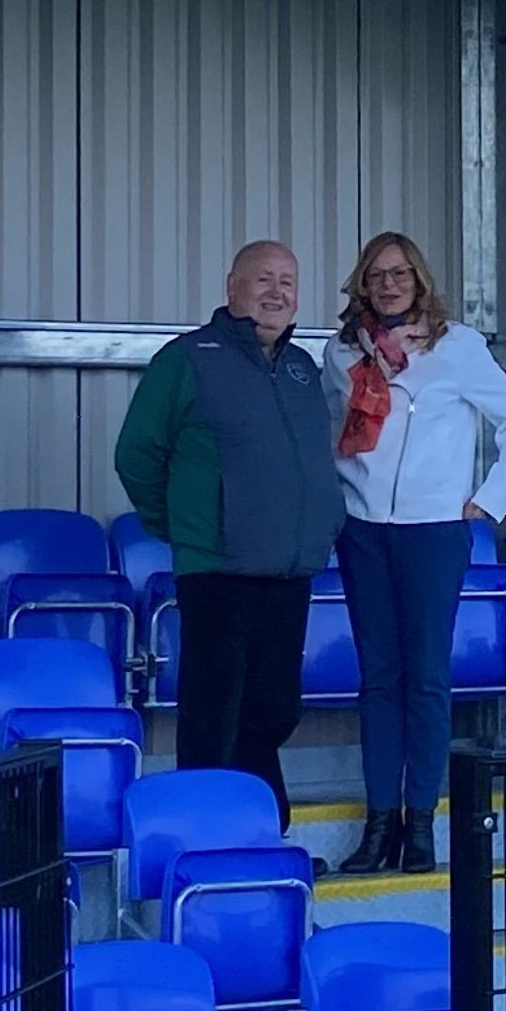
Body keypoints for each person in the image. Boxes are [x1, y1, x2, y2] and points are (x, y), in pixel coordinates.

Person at [321, 232, 506, 874]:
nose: (389, 284)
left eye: (401, 273)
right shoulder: (340, 352)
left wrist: (489, 499)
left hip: (433, 531)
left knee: (427, 680)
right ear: (362, 282)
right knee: (378, 680)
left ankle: (421, 826)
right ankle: (378, 822)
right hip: (362, 529)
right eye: (377, 274)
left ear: (420, 279)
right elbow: (330, 431)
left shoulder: (458, 347)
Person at [114, 239, 342, 822]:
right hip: (217, 571)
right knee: (214, 712)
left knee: (272, 709)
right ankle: (207, 834)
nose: (276, 292)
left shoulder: (300, 369)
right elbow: (137, 454)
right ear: (232, 288)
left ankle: (264, 832)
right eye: (263, 279)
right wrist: (189, 527)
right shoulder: (187, 359)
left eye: (287, 282)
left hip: (286, 571)